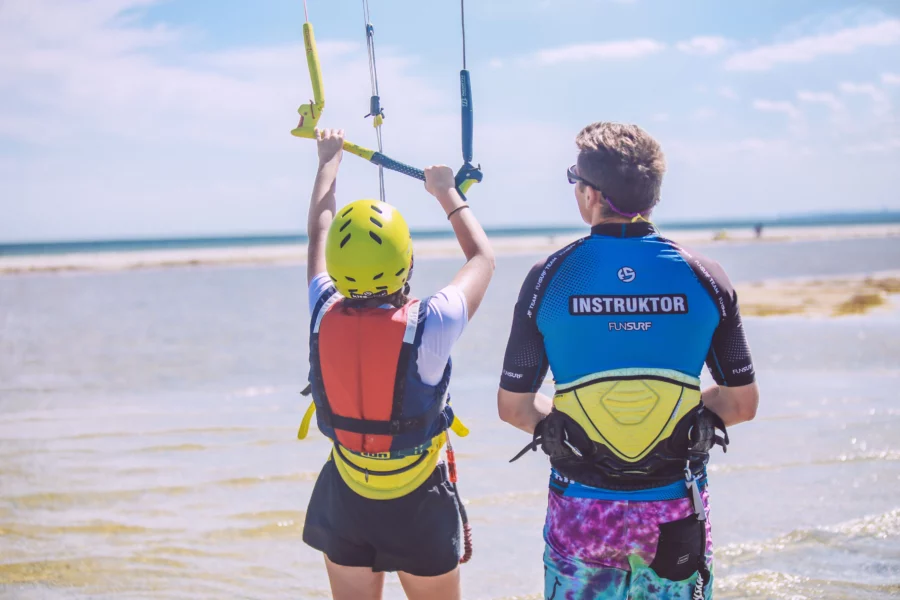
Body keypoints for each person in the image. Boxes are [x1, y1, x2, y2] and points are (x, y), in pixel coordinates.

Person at [497, 122, 759, 599]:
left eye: (575, 179)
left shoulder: (548, 278)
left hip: (583, 513)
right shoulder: (706, 277)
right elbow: (741, 404)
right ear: (652, 195)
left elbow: (514, 408)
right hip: (674, 510)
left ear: (591, 196)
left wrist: (575, 430)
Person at [299, 128, 495, 600]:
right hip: (418, 506)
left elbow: (319, 229)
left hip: (346, 498)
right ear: (407, 262)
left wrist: (329, 159)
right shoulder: (431, 322)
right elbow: (482, 258)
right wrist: (446, 191)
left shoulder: (323, 309)